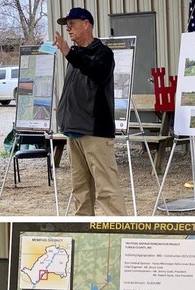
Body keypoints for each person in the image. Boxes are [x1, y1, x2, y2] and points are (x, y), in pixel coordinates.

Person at [54, 7, 127, 216]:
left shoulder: (103, 53)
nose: (68, 29)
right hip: (73, 131)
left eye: (72, 24)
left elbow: (97, 73)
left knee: (107, 190)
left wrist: (69, 53)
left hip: (95, 132)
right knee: (81, 191)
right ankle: (83, 230)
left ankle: (120, 231)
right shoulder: (76, 55)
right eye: (66, 25)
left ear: (86, 24)